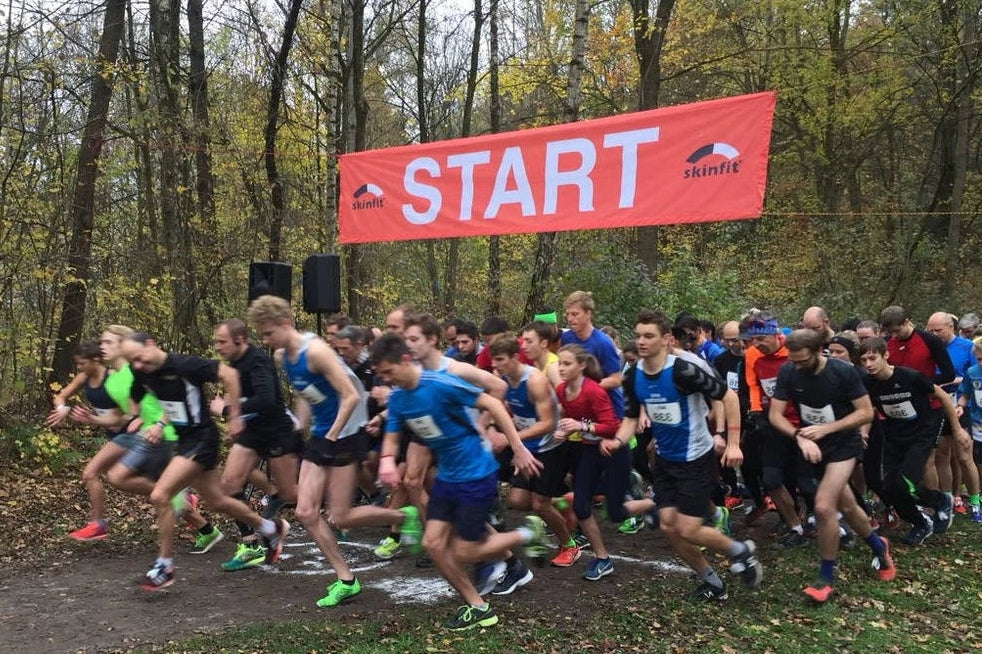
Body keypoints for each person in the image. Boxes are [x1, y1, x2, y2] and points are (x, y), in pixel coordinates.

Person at [247, 295, 422, 608]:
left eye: (269, 332)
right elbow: (305, 394)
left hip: (347, 433)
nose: (266, 339)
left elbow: (350, 396)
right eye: (261, 334)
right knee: (304, 511)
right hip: (323, 435)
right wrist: (299, 426)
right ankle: (346, 579)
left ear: (286, 324)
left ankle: (403, 514)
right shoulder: (280, 356)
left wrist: (331, 434)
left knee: (340, 516)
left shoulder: (316, 352)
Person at [370, 333, 545, 630]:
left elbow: (493, 402)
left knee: (463, 551)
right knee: (434, 544)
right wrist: (387, 460)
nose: (387, 380)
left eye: (389, 372)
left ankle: (528, 533)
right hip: (449, 476)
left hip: (476, 472)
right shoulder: (399, 398)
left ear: (405, 359)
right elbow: (392, 435)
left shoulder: (438, 384)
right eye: (381, 375)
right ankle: (478, 607)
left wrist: (517, 447)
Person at [609, 309, 760, 601]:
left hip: (696, 458)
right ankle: (712, 582)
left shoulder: (684, 371)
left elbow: (727, 397)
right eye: (638, 335)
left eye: (648, 336)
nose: (641, 341)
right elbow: (630, 416)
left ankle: (740, 550)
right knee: (668, 526)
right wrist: (617, 442)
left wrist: (732, 442)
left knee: (688, 529)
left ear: (666, 339)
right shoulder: (633, 376)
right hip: (666, 460)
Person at [120, 332, 289, 591]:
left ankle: (165, 566)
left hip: (202, 439)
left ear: (152, 344)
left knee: (160, 495)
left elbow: (230, 375)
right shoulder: (142, 371)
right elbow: (137, 397)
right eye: (133, 362)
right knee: (217, 501)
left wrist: (234, 418)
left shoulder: (185, 365)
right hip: (185, 439)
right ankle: (270, 527)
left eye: (140, 358)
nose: (138, 366)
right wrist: (142, 418)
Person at [770, 329, 894, 604]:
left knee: (825, 506)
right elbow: (775, 415)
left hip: (843, 443)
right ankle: (878, 546)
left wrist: (827, 429)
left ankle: (825, 578)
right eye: (793, 360)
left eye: (802, 360)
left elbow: (865, 412)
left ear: (818, 352)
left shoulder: (843, 372)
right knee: (847, 505)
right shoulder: (789, 371)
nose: (797, 365)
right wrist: (799, 436)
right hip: (812, 443)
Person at [554, 344, 655, 580]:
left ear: (581, 366)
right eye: (559, 363)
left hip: (614, 450)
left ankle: (654, 503)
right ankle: (602, 558)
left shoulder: (594, 391)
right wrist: (565, 431)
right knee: (580, 506)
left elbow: (612, 425)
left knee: (617, 513)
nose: (561, 368)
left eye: (567, 363)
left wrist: (580, 426)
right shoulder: (561, 390)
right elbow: (576, 419)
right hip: (590, 449)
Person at [860, 337, 973, 543]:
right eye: (864, 360)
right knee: (888, 487)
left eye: (872, 358)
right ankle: (921, 521)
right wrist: (864, 432)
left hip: (921, 433)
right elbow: (870, 409)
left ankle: (939, 500)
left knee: (905, 482)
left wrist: (956, 429)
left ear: (886, 355)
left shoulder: (910, 377)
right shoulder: (869, 383)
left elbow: (943, 397)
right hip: (894, 436)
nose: (868, 364)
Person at [210, 319, 302, 571]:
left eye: (222, 341)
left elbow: (266, 399)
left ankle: (337, 510)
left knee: (289, 494)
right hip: (253, 433)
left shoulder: (257, 361)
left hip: (276, 431)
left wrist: (228, 410)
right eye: (216, 341)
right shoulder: (235, 363)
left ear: (240, 339)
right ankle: (257, 538)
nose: (218, 346)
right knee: (228, 485)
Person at [490, 335, 580, 571]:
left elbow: (548, 424)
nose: (495, 365)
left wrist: (511, 439)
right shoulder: (502, 381)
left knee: (539, 504)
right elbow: (496, 409)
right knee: (517, 500)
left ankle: (569, 545)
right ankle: (563, 503)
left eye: (500, 360)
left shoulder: (535, 381)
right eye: (493, 360)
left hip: (552, 446)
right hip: (528, 446)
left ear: (514, 357)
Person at [925, 311, 981, 520]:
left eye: (938, 330)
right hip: (936, 405)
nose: (934, 334)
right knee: (942, 454)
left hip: (959, 405)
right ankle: (948, 498)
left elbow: (974, 373)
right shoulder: (929, 346)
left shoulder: (966, 347)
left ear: (951, 327)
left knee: (964, 456)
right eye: (930, 330)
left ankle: (974, 500)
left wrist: (951, 381)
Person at [560, 291, 624, 417]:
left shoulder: (602, 342)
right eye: (567, 314)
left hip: (610, 409)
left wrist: (587, 390)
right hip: (582, 411)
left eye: (575, 314)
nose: (570, 319)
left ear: (588, 313)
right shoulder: (566, 338)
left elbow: (616, 379)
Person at [957, 337, 982, 521]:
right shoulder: (972, 372)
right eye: (979, 359)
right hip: (977, 425)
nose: (981, 362)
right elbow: (965, 394)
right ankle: (978, 496)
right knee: (978, 461)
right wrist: (960, 405)